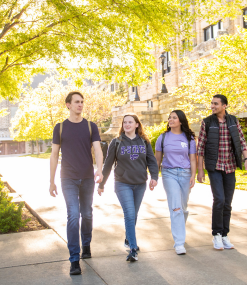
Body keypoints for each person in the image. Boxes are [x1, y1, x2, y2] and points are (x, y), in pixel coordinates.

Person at [50, 92, 103, 276]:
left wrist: (100, 169)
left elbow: (97, 148)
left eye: (82, 102)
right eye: (76, 102)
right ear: (68, 105)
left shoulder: (91, 126)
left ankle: (86, 243)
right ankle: (74, 259)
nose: (80, 105)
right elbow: (54, 155)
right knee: (73, 215)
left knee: (87, 214)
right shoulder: (60, 128)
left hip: (88, 178)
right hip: (68, 178)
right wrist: (51, 181)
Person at [98, 114, 158, 262]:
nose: (127, 124)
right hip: (122, 183)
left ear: (137, 124)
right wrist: (101, 184)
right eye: (125, 122)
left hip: (140, 184)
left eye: (130, 122)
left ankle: (128, 238)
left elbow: (151, 160)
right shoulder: (116, 142)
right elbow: (108, 164)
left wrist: (154, 177)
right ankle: (133, 248)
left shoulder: (144, 141)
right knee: (130, 214)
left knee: (134, 215)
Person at [196, 94, 247, 250]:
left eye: (216, 103)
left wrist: (246, 160)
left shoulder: (233, 121)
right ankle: (216, 235)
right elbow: (200, 148)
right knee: (219, 200)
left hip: (230, 167)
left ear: (224, 105)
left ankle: (225, 235)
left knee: (227, 203)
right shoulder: (207, 122)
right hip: (214, 167)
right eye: (212, 103)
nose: (212, 106)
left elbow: (242, 141)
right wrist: (200, 171)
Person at [155, 110, 196, 255]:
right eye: (169, 118)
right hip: (169, 173)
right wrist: (154, 176)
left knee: (183, 208)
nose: (170, 120)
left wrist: (193, 175)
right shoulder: (163, 138)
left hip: (185, 174)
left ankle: (180, 231)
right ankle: (179, 243)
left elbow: (192, 159)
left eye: (174, 118)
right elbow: (157, 159)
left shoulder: (189, 138)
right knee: (176, 208)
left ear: (181, 121)